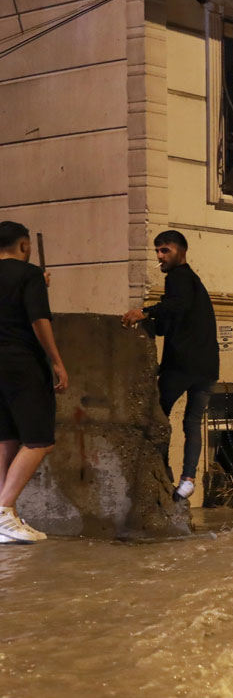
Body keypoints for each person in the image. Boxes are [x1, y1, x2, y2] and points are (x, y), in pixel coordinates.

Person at [122, 231, 219, 502]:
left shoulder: (179, 277)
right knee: (192, 422)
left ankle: (160, 468)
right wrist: (156, 316)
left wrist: (145, 312)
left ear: (181, 252)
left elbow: (177, 305)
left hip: (183, 365)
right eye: (157, 251)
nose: (159, 257)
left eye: (165, 251)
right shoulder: (193, 282)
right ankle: (188, 479)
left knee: (156, 415)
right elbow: (171, 319)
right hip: (207, 366)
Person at [0, 222, 69, 543]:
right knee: (40, 440)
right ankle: (4, 511)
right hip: (21, 362)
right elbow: (38, 319)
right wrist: (56, 361)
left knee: (7, 438)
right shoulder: (29, 275)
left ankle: (2, 516)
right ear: (25, 245)